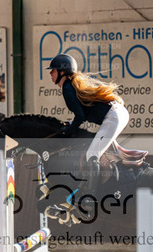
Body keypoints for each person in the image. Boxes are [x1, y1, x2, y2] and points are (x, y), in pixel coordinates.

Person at [46, 53, 130, 210]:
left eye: (53, 70)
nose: (50, 73)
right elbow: (81, 116)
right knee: (93, 150)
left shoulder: (68, 88)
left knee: (92, 154)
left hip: (113, 116)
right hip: (116, 113)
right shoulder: (70, 86)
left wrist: (69, 130)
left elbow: (80, 116)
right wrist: (71, 127)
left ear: (62, 72)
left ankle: (90, 197)